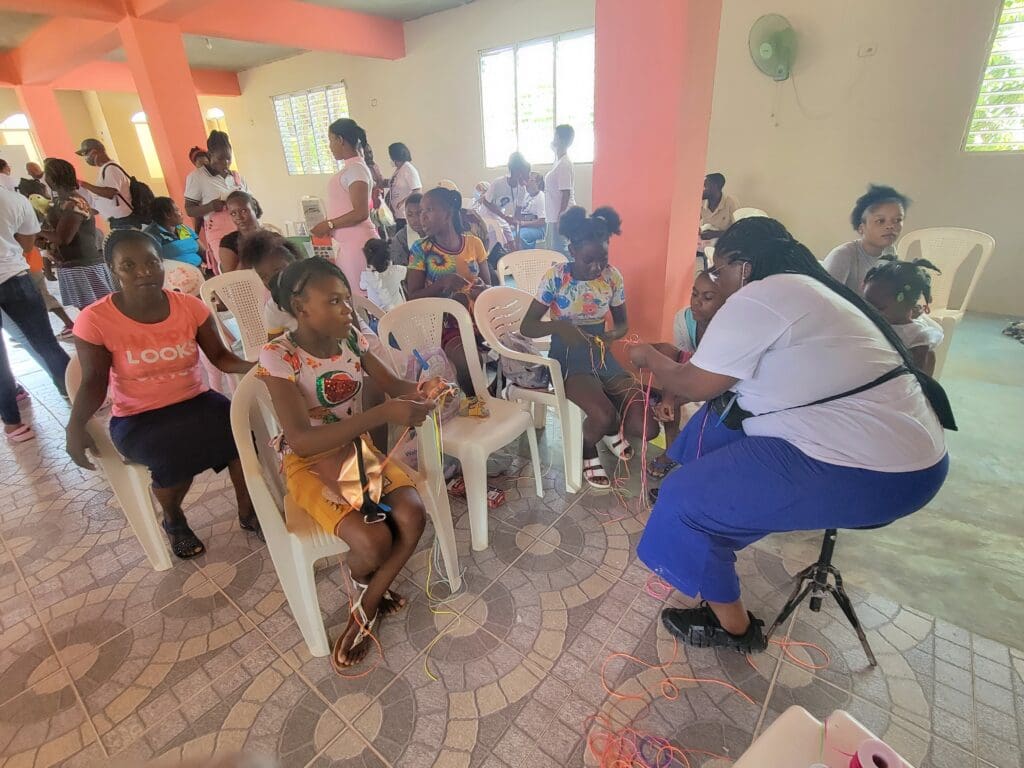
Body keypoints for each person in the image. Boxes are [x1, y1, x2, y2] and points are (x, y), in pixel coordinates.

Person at [627, 217, 951, 654]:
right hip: (904, 456)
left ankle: (735, 630)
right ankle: (710, 535)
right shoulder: (805, 288)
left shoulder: (761, 294)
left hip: (878, 470)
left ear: (743, 266)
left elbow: (694, 384)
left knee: (685, 499)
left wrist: (648, 355)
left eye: (718, 271)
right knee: (714, 428)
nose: (716, 282)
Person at [257, 258, 438, 667]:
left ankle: (367, 601)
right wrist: (382, 415)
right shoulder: (279, 356)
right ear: (301, 308)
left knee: (411, 515)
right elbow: (301, 441)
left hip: (354, 453)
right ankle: (365, 584)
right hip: (309, 462)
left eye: (347, 300)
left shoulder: (352, 340)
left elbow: (392, 385)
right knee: (374, 541)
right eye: (335, 301)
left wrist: (427, 388)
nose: (348, 310)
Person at [65, 230, 259, 559]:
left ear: (162, 264)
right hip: (138, 417)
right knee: (172, 458)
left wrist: (260, 367)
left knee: (243, 435)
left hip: (196, 401)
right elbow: (94, 381)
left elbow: (221, 358)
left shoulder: (189, 307)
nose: (143, 271)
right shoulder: (95, 320)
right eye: (129, 265)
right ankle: (174, 520)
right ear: (113, 270)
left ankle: (249, 511)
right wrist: (75, 426)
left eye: (151, 262)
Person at [521, 206, 657, 488]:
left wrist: (610, 336)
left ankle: (608, 430)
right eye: (589, 260)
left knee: (645, 425)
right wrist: (559, 326)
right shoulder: (556, 277)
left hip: (601, 352)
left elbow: (622, 325)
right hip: (568, 356)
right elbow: (528, 327)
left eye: (603, 258)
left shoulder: (612, 277)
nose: (597, 267)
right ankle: (587, 448)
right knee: (604, 413)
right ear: (572, 250)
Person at [406, 186, 493, 417]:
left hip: (477, 318)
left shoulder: (474, 244)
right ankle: (474, 403)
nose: (422, 216)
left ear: (448, 212)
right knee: (466, 357)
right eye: (420, 211)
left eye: (429, 210)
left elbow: (489, 286)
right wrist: (442, 283)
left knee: (509, 344)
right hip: (442, 324)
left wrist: (481, 290)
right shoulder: (421, 249)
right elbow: (411, 296)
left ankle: (492, 392)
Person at [0, 186, 70, 442]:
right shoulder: (13, 198)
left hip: (13, 276)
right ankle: (70, 390)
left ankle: (12, 423)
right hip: (14, 277)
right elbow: (27, 243)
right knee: (44, 341)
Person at [646, 270, 726, 480]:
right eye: (694, 294)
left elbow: (716, 381)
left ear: (726, 302)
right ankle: (672, 449)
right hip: (698, 373)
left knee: (707, 422)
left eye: (708, 298)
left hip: (726, 383)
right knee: (669, 394)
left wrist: (679, 398)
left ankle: (694, 458)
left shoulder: (728, 329)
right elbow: (681, 365)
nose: (697, 302)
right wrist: (669, 399)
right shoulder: (684, 319)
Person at [310, 119, 377, 294]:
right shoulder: (352, 168)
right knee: (353, 294)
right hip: (348, 243)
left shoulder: (356, 169)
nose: (330, 146)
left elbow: (360, 212)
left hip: (356, 243)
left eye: (331, 140)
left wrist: (329, 224)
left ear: (341, 140)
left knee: (361, 297)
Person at [39, 158, 114, 311]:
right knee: (89, 312)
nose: (44, 179)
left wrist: (36, 230)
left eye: (46, 174)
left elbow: (63, 239)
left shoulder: (75, 203)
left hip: (83, 265)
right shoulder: (61, 202)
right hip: (71, 265)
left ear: (53, 178)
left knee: (98, 311)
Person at [864, 257, 944, 376]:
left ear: (906, 305)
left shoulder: (916, 339)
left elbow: (917, 380)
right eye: (865, 304)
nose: (869, 311)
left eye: (879, 308)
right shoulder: (869, 321)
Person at [824, 184, 909, 295]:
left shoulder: (889, 251)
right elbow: (828, 301)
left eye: (897, 220)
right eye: (880, 221)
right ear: (861, 228)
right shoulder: (843, 255)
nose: (891, 226)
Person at [184, 130, 249, 273]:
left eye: (228, 158)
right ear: (210, 155)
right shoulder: (197, 177)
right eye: (220, 158)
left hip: (243, 227)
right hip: (219, 231)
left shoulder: (237, 177)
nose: (225, 163)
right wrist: (210, 206)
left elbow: (251, 202)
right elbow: (189, 209)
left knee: (250, 265)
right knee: (230, 270)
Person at [238, 230, 303, 340]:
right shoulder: (274, 308)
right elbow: (273, 346)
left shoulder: (322, 291)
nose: (272, 279)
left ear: (296, 263)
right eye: (264, 277)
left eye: (278, 271)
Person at [75, 139, 137, 229]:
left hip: (124, 221)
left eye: (85, 154)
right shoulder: (105, 169)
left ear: (94, 152)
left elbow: (110, 193)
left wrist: (84, 184)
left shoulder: (110, 169)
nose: (85, 158)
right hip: (118, 221)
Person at [145, 197, 204, 268]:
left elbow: (203, 251)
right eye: (177, 210)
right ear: (167, 215)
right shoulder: (151, 236)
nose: (181, 213)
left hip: (201, 269)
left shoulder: (183, 228)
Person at [544, 124, 576, 252]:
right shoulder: (558, 161)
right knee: (553, 250)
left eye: (555, 135)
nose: (552, 139)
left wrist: (560, 217)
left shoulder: (564, 164)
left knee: (560, 252)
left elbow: (566, 193)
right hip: (552, 215)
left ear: (559, 138)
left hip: (560, 215)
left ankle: (570, 272)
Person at [218, 191, 263, 272]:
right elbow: (233, 280)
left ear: (254, 209)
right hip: (247, 284)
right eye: (233, 213)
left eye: (243, 211)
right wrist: (251, 248)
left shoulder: (273, 237)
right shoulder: (228, 243)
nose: (238, 217)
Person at [483, 152, 530, 226]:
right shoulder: (498, 183)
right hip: (487, 215)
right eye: (523, 174)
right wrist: (504, 217)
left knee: (509, 236)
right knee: (496, 235)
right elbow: (485, 202)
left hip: (500, 216)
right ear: (515, 172)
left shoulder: (522, 189)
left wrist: (515, 222)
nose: (525, 181)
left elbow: (518, 211)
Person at [360, 238, 406, 312]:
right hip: (399, 310)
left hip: (378, 314)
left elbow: (362, 286)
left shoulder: (366, 276)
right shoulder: (397, 270)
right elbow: (407, 272)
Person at [384, 143, 421, 232]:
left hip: (405, 215)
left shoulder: (408, 169)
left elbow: (417, 189)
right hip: (398, 214)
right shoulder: (399, 170)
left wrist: (403, 202)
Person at [699, 173, 737, 241]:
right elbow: (689, 223)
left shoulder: (730, 203)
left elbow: (738, 231)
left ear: (715, 186)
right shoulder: (701, 202)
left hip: (723, 245)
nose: (701, 189)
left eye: (705, 185)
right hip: (704, 245)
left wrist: (715, 234)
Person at [388, 192, 422, 267]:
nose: (414, 219)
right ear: (405, 215)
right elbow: (400, 268)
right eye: (410, 215)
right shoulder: (400, 238)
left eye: (419, 213)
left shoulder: (436, 233)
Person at [516, 172, 546, 249]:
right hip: (523, 226)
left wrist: (523, 223)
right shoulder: (526, 195)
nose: (527, 182)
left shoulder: (541, 197)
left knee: (519, 237)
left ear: (538, 183)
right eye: (527, 179)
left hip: (537, 229)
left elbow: (542, 221)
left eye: (531, 180)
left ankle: (526, 257)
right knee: (507, 235)